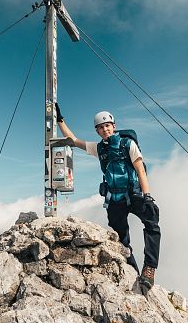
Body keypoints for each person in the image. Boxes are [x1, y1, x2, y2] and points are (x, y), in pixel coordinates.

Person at [55, 103, 161, 292]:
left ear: (114, 125)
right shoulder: (99, 148)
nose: (105, 129)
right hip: (114, 199)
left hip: (134, 194)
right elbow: (73, 141)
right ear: (97, 131)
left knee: (152, 223)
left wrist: (148, 196)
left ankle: (150, 268)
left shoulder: (128, 144)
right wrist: (60, 121)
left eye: (107, 125)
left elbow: (140, 169)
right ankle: (132, 271)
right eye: (100, 127)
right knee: (121, 240)